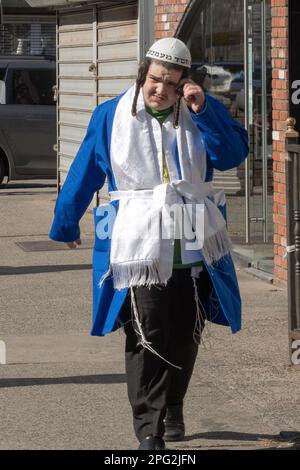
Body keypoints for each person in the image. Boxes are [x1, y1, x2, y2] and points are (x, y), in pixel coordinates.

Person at [49, 38, 249, 450]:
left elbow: (232, 154)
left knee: (185, 335)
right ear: (144, 73)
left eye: (172, 84)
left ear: (185, 85)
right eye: (156, 79)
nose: (161, 89)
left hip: (193, 248)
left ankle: (173, 406)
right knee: (147, 336)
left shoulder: (198, 115)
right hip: (138, 249)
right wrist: (66, 221)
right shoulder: (111, 116)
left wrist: (204, 109)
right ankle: (149, 430)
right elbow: (85, 168)